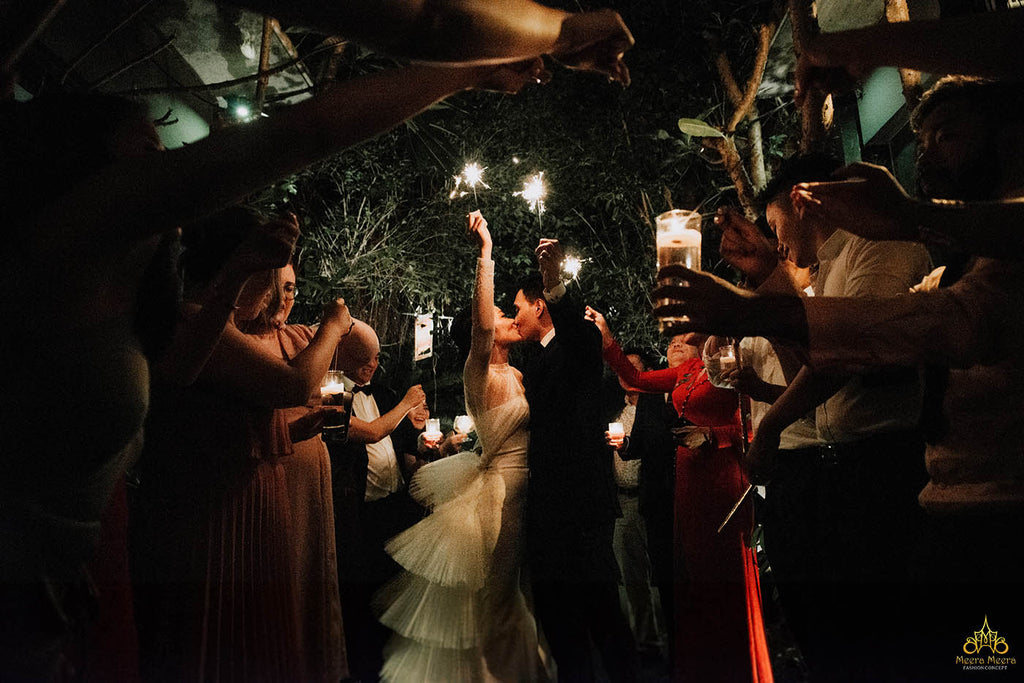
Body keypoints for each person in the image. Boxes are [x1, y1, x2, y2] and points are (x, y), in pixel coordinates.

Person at [654, 75, 1024, 679]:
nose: (926, 154)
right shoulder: (925, 262)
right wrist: (766, 293)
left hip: (978, 510)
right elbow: (828, 355)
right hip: (939, 505)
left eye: (947, 136)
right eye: (921, 140)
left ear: (1010, 142)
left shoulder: (910, 253)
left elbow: (901, 335)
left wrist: (753, 310)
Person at [131, 206, 355, 682]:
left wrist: (291, 432)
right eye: (271, 279)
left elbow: (217, 427)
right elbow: (291, 386)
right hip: (218, 523)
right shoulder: (195, 321)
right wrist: (334, 326)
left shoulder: (211, 325)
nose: (276, 297)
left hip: (245, 511)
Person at [377, 211, 541, 681]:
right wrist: (485, 253)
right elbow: (482, 327)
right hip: (501, 497)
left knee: (515, 592)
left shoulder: (517, 374)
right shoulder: (480, 371)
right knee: (496, 594)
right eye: (500, 313)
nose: (508, 318)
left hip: (527, 490)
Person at [587, 312, 771, 683]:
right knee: (689, 575)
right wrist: (607, 337)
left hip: (721, 477)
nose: (676, 329)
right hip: (688, 478)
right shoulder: (689, 370)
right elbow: (633, 379)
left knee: (720, 574)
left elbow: (754, 424)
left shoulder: (732, 358)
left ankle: (733, 667)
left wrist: (713, 435)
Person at [513, 240, 638, 682]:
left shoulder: (573, 346)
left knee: (601, 617)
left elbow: (586, 345)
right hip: (551, 509)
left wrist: (555, 285)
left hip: (579, 509)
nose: (515, 317)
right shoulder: (537, 359)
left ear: (541, 308)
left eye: (519, 308)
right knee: (566, 627)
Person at [245, 259, 347, 683]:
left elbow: (365, 347)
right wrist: (333, 327)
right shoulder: (238, 344)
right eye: (279, 288)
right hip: (271, 495)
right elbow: (287, 393)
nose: (287, 299)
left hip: (309, 494)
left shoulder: (299, 336)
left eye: (291, 289)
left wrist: (342, 320)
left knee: (310, 591)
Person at [327, 319, 427, 682]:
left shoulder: (383, 394)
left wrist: (417, 429)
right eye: (365, 358)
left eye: (375, 358)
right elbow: (368, 433)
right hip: (356, 515)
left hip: (393, 507)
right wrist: (405, 404)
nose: (373, 365)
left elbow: (402, 444)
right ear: (344, 355)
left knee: (395, 592)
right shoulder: (332, 390)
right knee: (360, 598)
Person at [604, 351, 666, 661]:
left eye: (633, 368)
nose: (624, 374)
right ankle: (645, 643)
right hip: (624, 501)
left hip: (654, 499)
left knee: (663, 572)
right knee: (632, 578)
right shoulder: (615, 415)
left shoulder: (660, 408)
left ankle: (673, 637)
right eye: (621, 369)